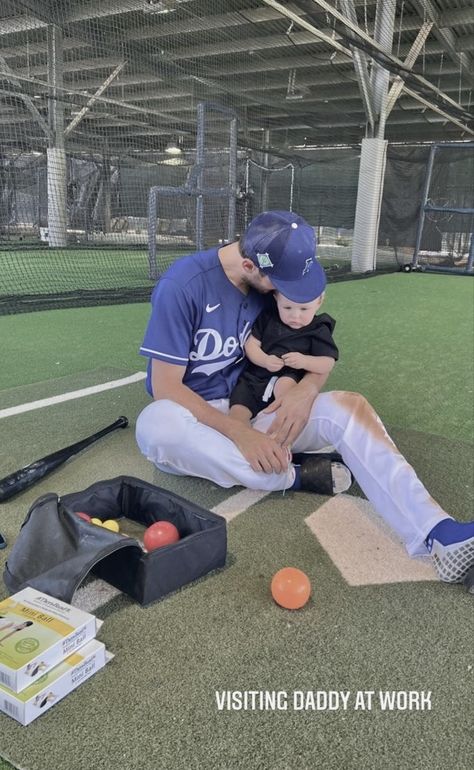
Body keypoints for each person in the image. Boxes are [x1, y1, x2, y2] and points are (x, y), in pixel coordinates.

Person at [136, 210, 474, 584]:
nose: (291, 296)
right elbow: (166, 387)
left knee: (350, 407)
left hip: (262, 406)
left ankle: (436, 531)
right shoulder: (183, 285)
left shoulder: (271, 286)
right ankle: (295, 475)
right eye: (284, 285)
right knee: (155, 426)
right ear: (249, 265)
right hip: (196, 424)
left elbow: (316, 354)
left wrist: (305, 391)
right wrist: (239, 432)